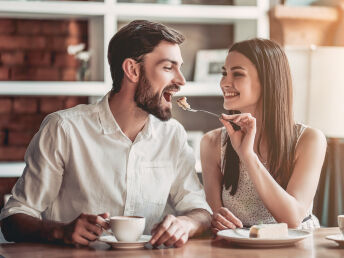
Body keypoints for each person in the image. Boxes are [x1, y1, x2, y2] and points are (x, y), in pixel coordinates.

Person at [0, 20, 212, 247]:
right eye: (168, 68)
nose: (181, 81)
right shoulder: (64, 129)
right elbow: (13, 219)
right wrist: (61, 231)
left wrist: (186, 224)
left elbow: (200, 211)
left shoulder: (173, 136)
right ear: (132, 70)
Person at [200, 38, 327, 233]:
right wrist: (215, 219)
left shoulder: (309, 140)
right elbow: (217, 218)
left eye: (238, 74)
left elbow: (292, 218)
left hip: (296, 245)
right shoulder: (212, 143)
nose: (225, 82)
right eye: (224, 73)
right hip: (236, 246)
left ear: (268, 80)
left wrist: (248, 156)